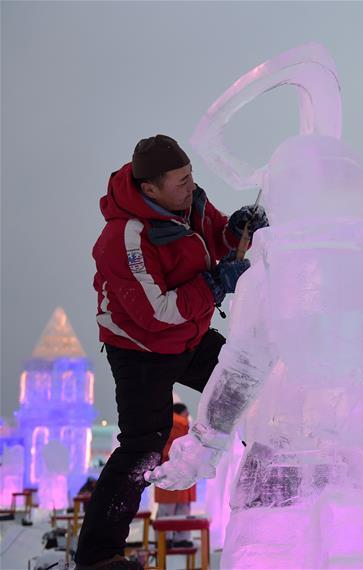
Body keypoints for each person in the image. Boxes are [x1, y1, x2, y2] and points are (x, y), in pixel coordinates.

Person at [75, 134, 268, 570]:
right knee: (145, 444)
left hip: (190, 334)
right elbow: (157, 313)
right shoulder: (124, 237)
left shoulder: (188, 201)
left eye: (190, 176)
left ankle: (276, 486)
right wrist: (216, 284)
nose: (190, 184)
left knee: (250, 380)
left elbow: (213, 237)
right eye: (180, 180)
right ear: (150, 188)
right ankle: (98, 557)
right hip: (141, 348)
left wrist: (234, 231)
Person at [154, 403, 195, 547]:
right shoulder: (180, 423)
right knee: (181, 509)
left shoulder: (165, 422)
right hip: (181, 473)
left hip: (169, 473)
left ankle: (164, 539)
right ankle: (180, 538)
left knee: (167, 510)